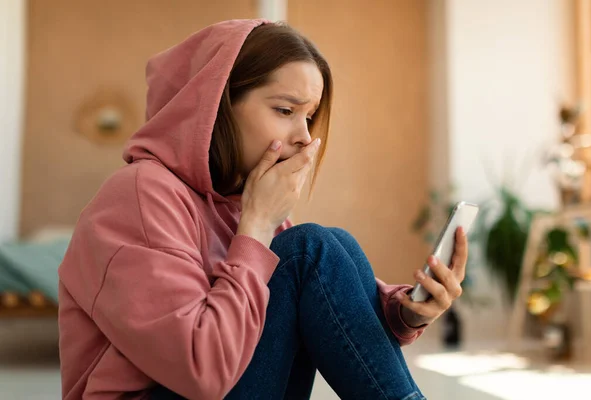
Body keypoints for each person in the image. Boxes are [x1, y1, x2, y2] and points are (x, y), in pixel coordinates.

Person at [58, 19, 468, 400]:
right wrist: (255, 226)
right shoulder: (139, 195)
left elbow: (334, 309)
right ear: (214, 104)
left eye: (309, 117)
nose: (304, 137)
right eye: (285, 111)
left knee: (325, 244)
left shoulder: (238, 203)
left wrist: (407, 312)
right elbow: (202, 370)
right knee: (309, 250)